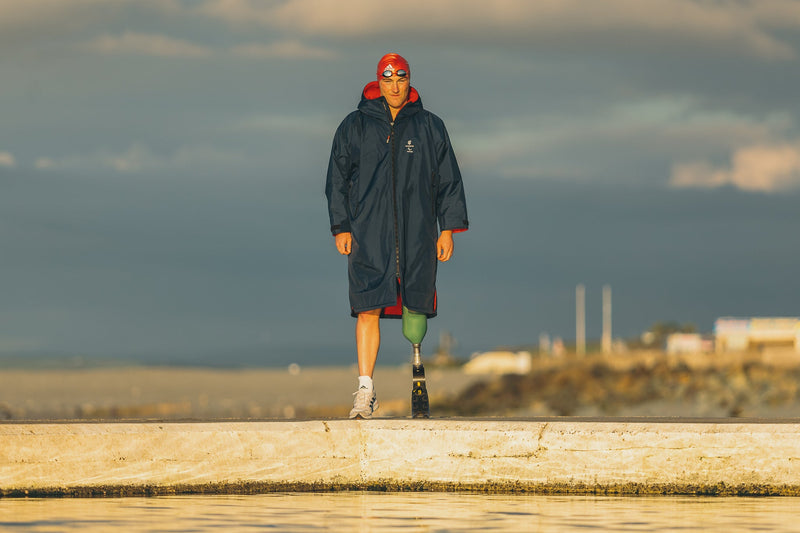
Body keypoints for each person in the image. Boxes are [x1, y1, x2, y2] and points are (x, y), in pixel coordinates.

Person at [325, 53, 469, 419]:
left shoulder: (429, 126)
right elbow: (337, 180)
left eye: (401, 78)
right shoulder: (354, 126)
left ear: (409, 81)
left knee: (415, 306)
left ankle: (417, 370)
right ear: (378, 81)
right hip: (367, 233)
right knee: (367, 306)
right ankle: (365, 390)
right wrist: (341, 226)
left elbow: (448, 180)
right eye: (387, 79)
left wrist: (447, 228)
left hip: (417, 232)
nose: (394, 85)